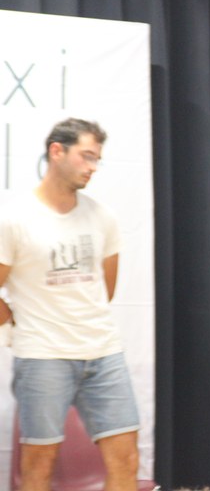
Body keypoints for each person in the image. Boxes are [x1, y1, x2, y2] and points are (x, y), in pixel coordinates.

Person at [0, 118, 140, 491]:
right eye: (86, 156)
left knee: (126, 458)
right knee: (39, 463)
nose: (93, 167)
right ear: (57, 151)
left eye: (97, 159)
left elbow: (105, 287)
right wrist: (10, 318)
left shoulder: (102, 216)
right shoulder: (14, 218)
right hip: (42, 355)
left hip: (103, 352)